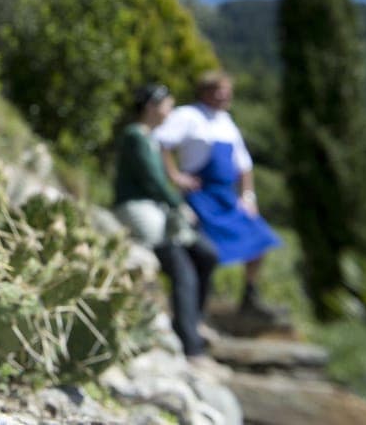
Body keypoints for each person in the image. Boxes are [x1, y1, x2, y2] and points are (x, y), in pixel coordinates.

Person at [154, 70, 282, 319]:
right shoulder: (189, 116)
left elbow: (244, 165)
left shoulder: (226, 122)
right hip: (201, 197)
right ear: (204, 92)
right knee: (205, 254)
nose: (224, 95)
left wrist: (248, 197)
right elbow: (161, 143)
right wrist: (175, 176)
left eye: (226, 90)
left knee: (260, 239)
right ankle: (196, 310)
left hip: (227, 198)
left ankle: (250, 295)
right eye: (217, 90)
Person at [113, 83, 219, 357]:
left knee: (206, 255)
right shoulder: (135, 136)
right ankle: (191, 344)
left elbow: (159, 178)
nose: (171, 110)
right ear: (151, 107)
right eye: (167, 104)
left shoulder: (151, 138)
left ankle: (194, 323)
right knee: (182, 268)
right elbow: (151, 179)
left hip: (158, 210)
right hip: (140, 210)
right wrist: (178, 204)